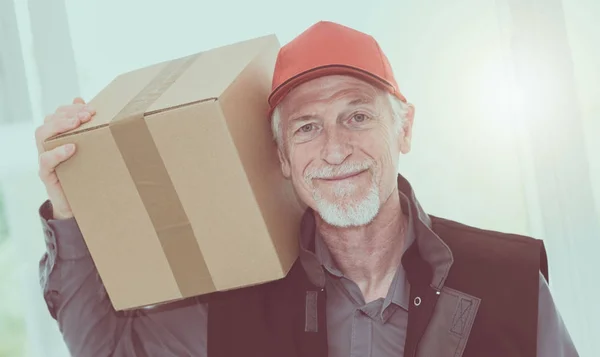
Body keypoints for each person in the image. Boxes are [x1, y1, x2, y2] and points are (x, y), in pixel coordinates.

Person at [35, 21, 578, 357]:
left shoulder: (508, 280)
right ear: (284, 159)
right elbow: (107, 349)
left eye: (357, 116)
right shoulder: (239, 306)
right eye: (307, 128)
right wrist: (68, 205)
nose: (335, 149)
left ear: (404, 127)